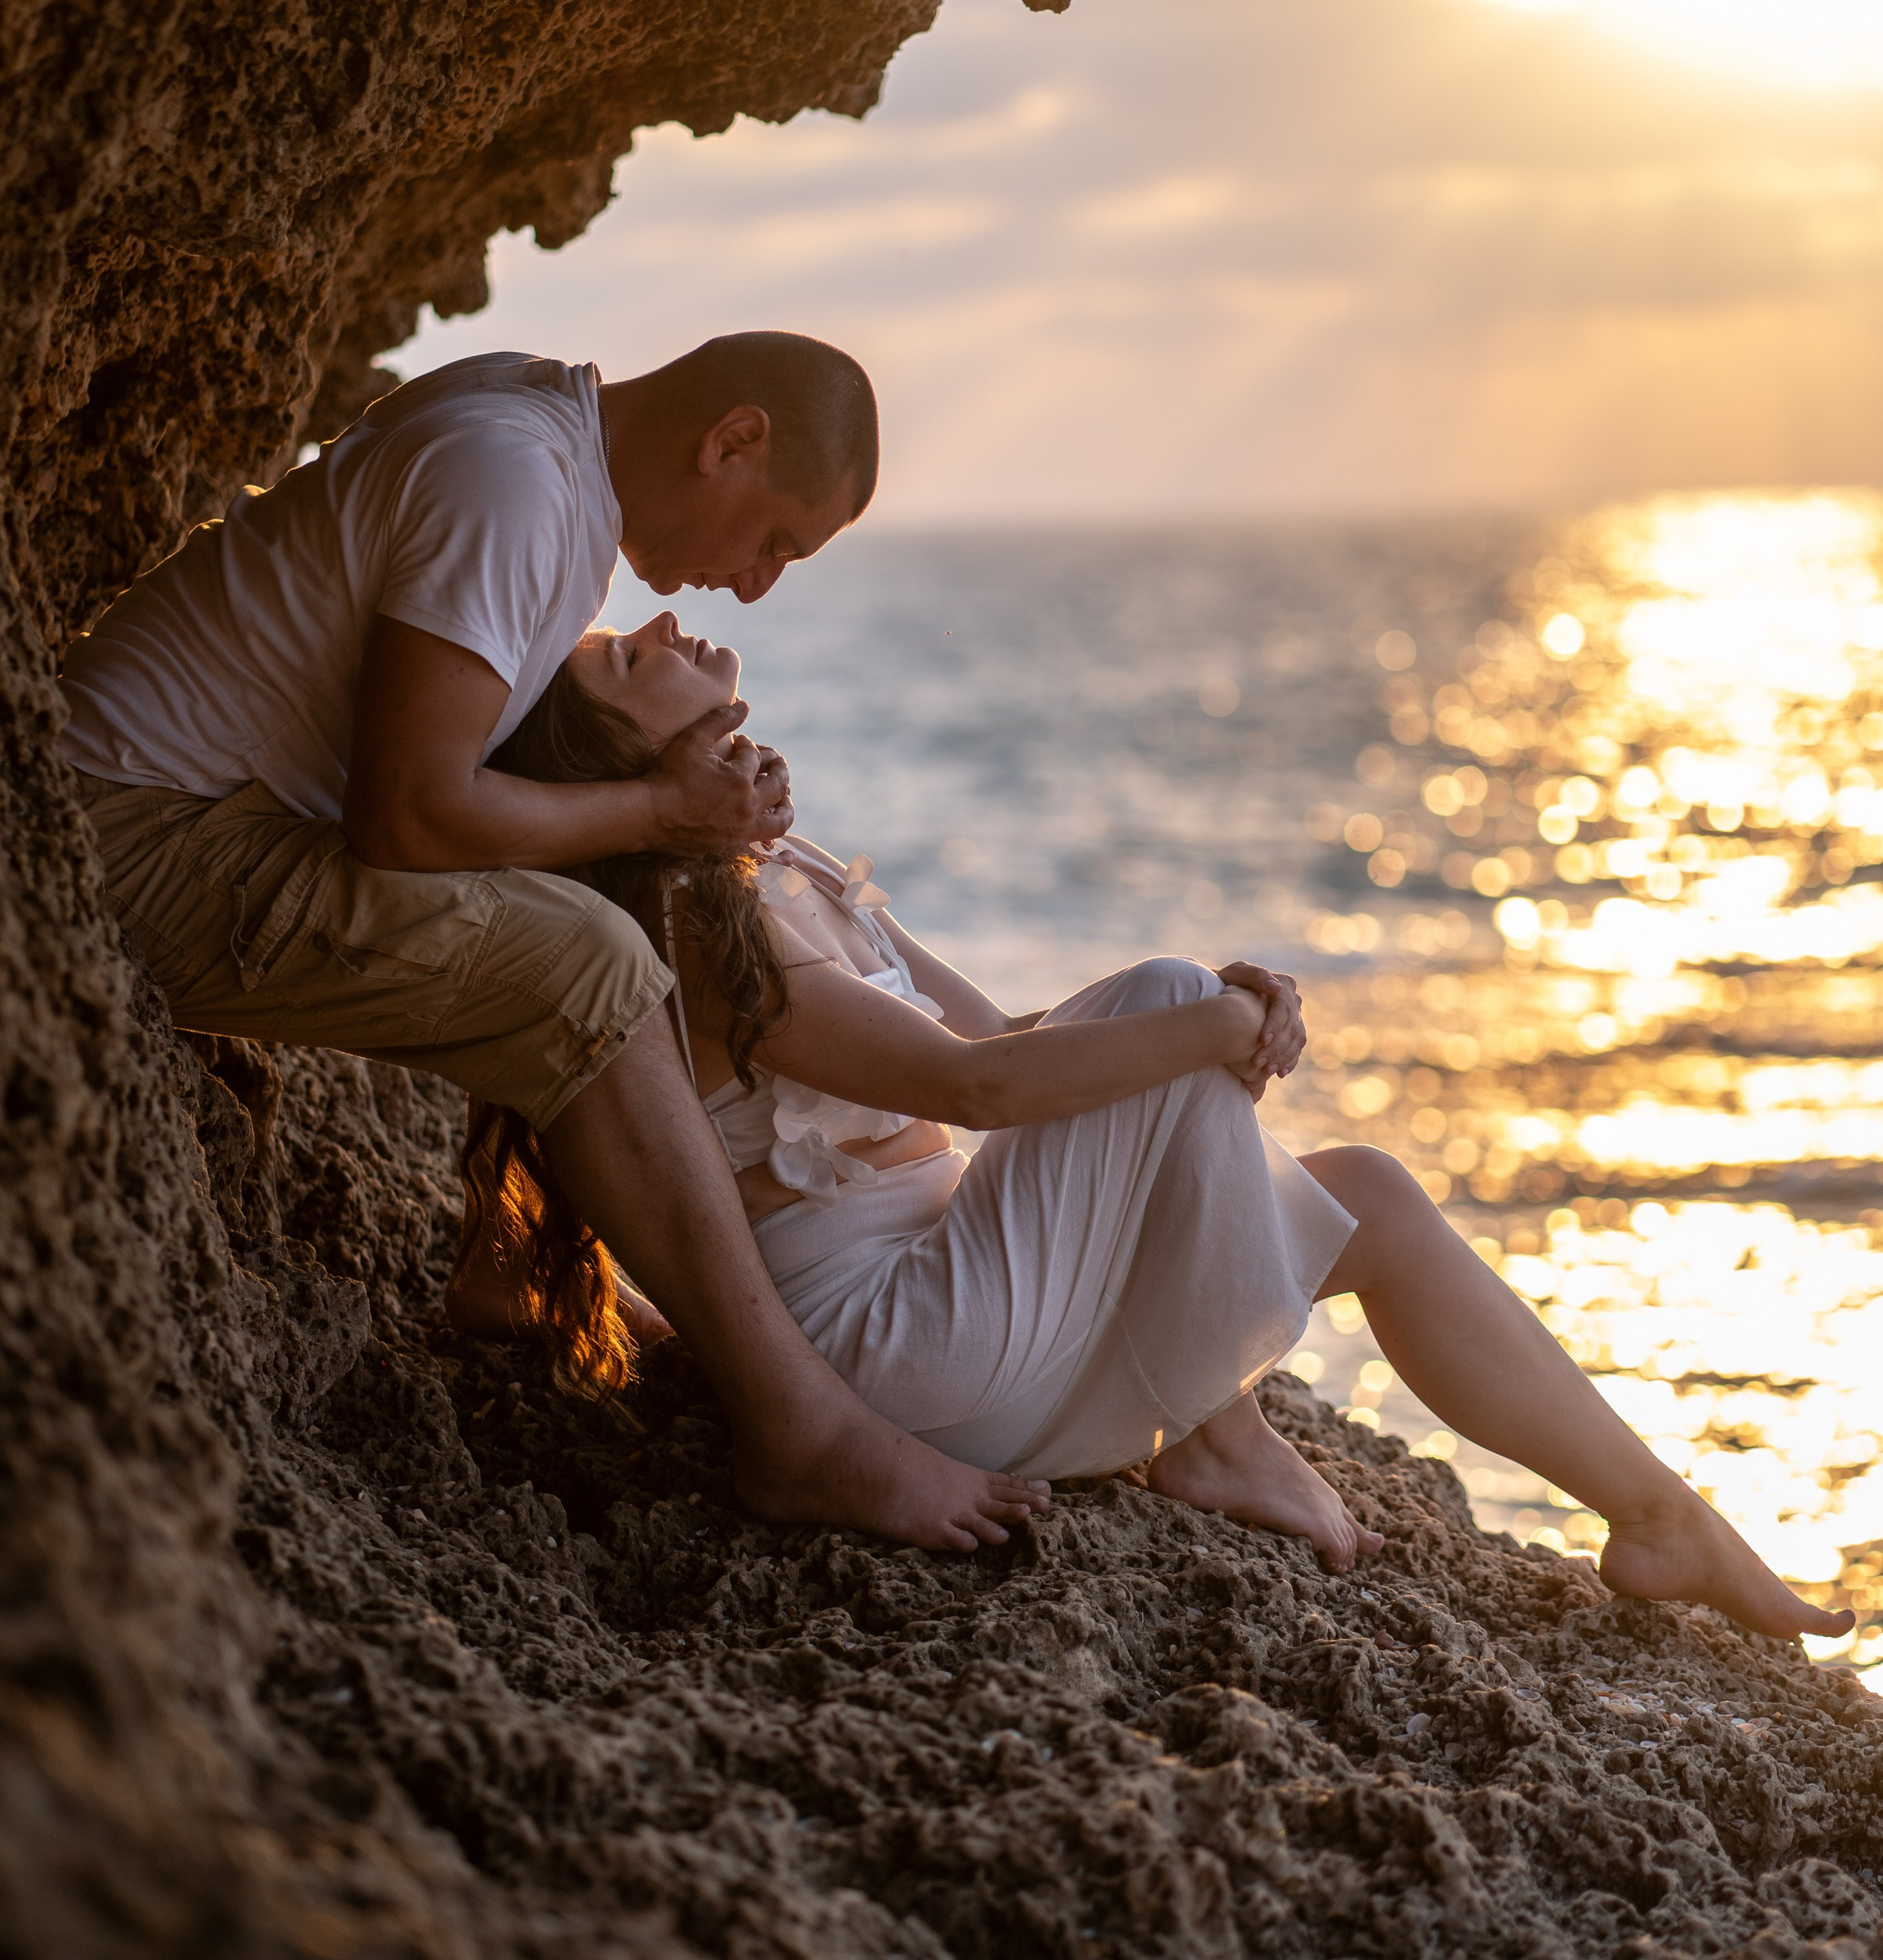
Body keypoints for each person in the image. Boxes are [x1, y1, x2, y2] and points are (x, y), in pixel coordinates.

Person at [466, 614, 1855, 1647]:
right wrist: (1203, 1024)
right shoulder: (695, 936)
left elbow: (1006, 1039)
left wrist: (1205, 1029)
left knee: (1363, 1188)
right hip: (896, 1348)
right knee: (1166, 997)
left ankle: (1661, 1512)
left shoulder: (790, 875)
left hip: (974, 1289)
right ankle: (1211, 1425)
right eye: (619, 661)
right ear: (615, 757)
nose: (655, 625)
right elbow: (984, 1097)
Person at [59, 336, 1050, 1553]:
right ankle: (807, 1434)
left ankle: (517, 1259)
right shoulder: (520, 488)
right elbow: (411, 814)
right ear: (731, 442)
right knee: (589, 962)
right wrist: (660, 812)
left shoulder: (533, 417)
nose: (753, 588)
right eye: (776, 541)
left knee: (557, 923)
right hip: (126, 842)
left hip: (142, 808)